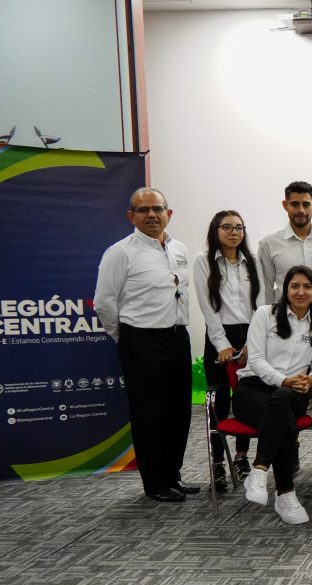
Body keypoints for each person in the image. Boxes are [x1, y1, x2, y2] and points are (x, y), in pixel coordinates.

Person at [94, 187, 195, 503]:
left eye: (157, 209)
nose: (152, 215)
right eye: (143, 210)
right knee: (149, 414)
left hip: (178, 338)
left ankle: (173, 475)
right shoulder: (120, 253)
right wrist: (125, 337)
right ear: (131, 216)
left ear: (169, 214)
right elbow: (104, 303)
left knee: (179, 412)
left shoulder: (179, 248)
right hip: (141, 340)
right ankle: (155, 483)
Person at [256, 180, 312, 477]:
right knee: (287, 390)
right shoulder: (269, 244)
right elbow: (266, 290)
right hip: (283, 331)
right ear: (285, 205)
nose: (301, 209)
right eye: (294, 204)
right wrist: (271, 325)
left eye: (306, 204)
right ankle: (288, 451)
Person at [238, 266, 312, 525]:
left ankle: (259, 469)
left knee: (281, 401)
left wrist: (311, 379)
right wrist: (283, 380)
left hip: (295, 392)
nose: (301, 292)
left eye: (307, 287)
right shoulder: (265, 315)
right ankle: (285, 493)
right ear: (285, 289)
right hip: (253, 388)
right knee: (284, 422)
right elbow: (255, 359)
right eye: (295, 286)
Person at [192, 210, 262, 490]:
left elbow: (261, 305)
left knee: (247, 398)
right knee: (219, 400)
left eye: (239, 227)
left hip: (250, 335)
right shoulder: (203, 261)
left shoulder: (253, 261)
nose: (234, 232)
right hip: (219, 335)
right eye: (227, 227)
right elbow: (207, 307)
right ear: (216, 230)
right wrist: (222, 344)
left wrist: (252, 343)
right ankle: (218, 463)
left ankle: (242, 458)